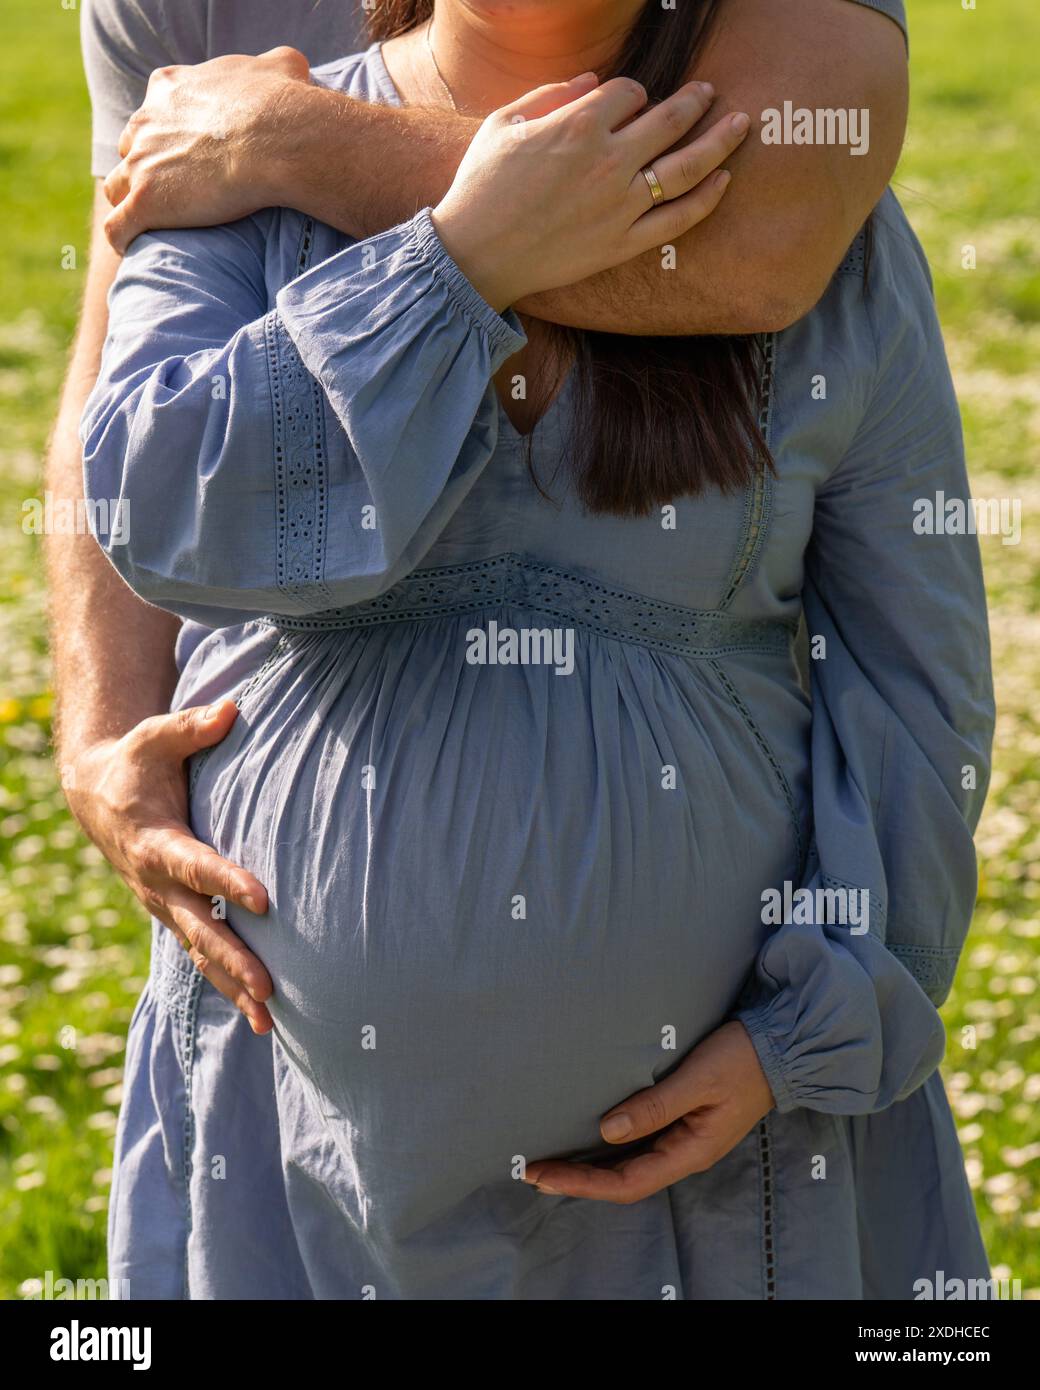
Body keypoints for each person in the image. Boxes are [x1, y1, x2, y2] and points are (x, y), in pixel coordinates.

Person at [59, 0, 991, 1298]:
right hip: (299, 1162)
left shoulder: (799, 208)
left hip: (722, 1185)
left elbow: (915, 681)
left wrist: (815, 1024)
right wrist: (455, 259)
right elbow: (163, 514)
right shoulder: (229, 152)